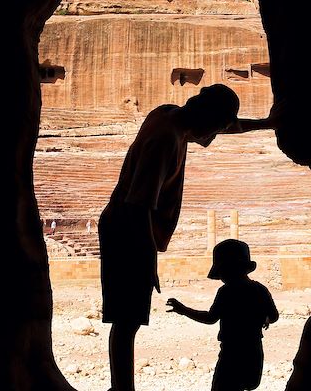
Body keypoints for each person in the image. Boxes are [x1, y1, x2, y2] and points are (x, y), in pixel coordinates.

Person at [99, 84, 273, 391]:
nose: (215, 136)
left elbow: (229, 125)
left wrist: (266, 123)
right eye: (217, 127)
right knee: (127, 319)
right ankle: (121, 388)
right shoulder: (165, 140)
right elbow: (139, 206)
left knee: (128, 318)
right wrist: (148, 260)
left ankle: (120, 387)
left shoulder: (172, 117)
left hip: (127, 227)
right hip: (128, 230)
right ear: (206, 116)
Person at [167, 239, 279, 391]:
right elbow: (274, 316)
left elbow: (210, 318)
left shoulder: (226, 292)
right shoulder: (260, 289)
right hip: (254, 351)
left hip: (231, 354)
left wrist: (184, 310)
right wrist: (265, 318)